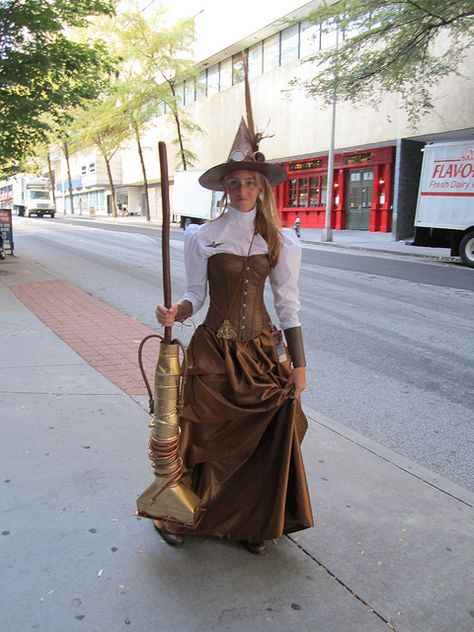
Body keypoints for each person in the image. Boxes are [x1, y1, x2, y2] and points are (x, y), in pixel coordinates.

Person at [154, 119, 314, 554]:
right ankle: (184, 513)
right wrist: (176, 312)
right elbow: (194, 296)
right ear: (224, 189)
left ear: (261, 187)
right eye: (234, 183)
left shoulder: (280, 240)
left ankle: (252, 522)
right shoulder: (203, 236)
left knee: (263, 433)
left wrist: (298, 366)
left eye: (249, 182)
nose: (242, 189)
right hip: (214, 351)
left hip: (261, 350)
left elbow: (288, 306)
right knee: (200, 435)